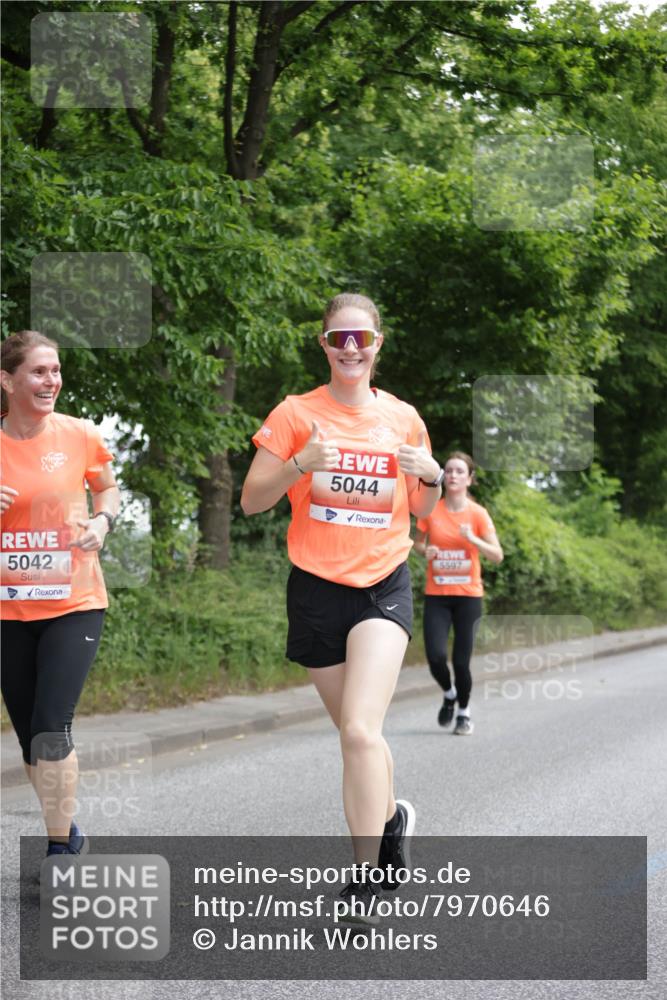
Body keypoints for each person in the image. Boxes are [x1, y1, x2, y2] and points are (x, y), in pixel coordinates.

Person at [241, 293, 444, 922]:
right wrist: (299, 464)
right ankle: (392, 817)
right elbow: (251, 501)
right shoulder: (295, 413)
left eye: (362, 338)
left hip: (383, 584)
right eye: (339, 339)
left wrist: (433, 475)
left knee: (359, 730)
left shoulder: (403, 418)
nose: (350, 349)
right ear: (324, 345)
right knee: (360, 737)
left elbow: (423, 509)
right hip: (315, 591)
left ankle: (364, 879)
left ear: (378, 344)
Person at [1, 330, 120, 864]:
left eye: (55, 371)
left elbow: (108, 487)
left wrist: (102, 520)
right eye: (38, 371)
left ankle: (58, 851)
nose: (52, 380)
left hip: (74, 602)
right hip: (7, 608)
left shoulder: (79, 434)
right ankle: (67, 829)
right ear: (8, 381)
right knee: (31, 739)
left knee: (52, 726)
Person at [414, 452, 503, 735]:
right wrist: (425, 551)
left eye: (459, 471)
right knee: (436, 657)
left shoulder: (478, 514)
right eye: (449, 470)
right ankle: (449, 693)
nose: (453, 475)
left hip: (468, 597)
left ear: (470, 479)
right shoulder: (431, 509)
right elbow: (417, 542)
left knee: (461, 662)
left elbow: (497, 555)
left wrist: (472, 538)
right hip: (437, 595)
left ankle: (464, 713)